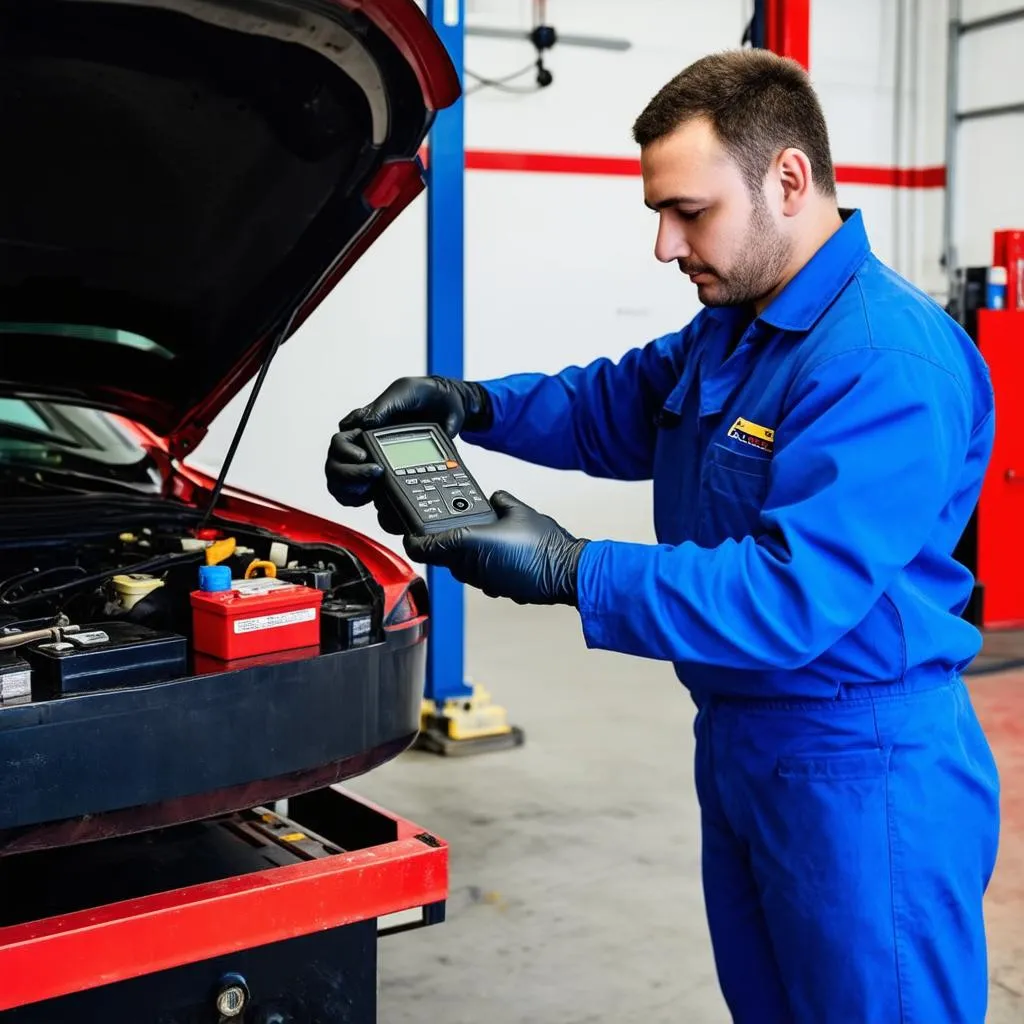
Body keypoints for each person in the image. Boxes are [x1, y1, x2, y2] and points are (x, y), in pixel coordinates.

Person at [325, 49, 1000, 1024]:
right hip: (744, 742)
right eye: (658, 213)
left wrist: (571, 568)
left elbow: (786, 596)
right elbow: (613, 404)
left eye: (689, 211)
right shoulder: (737, 322)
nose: (664, 244)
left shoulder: (881, 362)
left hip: (862, 767)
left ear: (788, 180)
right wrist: (468, 406)